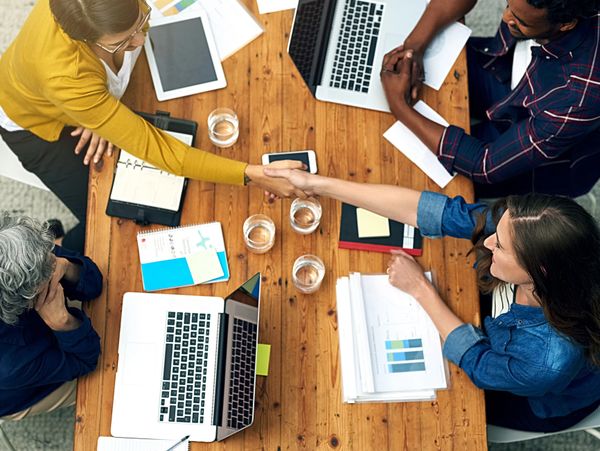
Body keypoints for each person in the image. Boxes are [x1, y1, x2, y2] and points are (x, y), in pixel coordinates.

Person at [264, 166, 600, 432]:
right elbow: (432, 212)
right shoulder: (530, 232)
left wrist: (420, 290)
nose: (487, 242)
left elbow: (480, 364)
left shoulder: (547, 360)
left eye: (500, 246)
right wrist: (315, 183)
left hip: (535, 397)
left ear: (539, 269)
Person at [0, 0, 305, 253]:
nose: (140, 41)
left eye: (141, 19)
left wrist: (100, 114)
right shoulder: (68, 79)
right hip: (35, 127)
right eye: (122, 41)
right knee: (115, 218)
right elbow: (157, 148)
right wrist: (253, 176)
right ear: (88, 40)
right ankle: (57, 249)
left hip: (76, 97)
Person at [380, 0, 600, 198]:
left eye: (520, 20)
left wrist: (399, 106)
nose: (505, 18)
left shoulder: (578, 97)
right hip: (500, 66)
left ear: (566, 24)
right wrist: (413, 48)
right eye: (507, 5)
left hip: (531, 140)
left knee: (403, 173)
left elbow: (485, 165)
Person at [0, 212, 103, 420]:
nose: (53, 267)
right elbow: (86, 361)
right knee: (105, 378)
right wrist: (65, 324)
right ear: (28, 302)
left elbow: (95, 282)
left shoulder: (20, 249)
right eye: (48, 280)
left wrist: (66, 266)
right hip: (13, 389)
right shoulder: (12, 367)